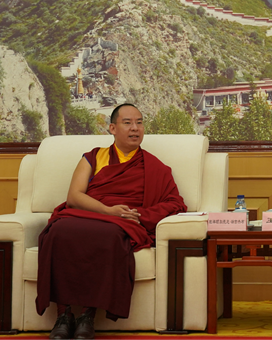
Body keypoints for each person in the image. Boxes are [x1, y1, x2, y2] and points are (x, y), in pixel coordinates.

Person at [36, 104, 187, 340]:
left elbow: (175, 202)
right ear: (113, 128)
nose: (135, 128)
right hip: (92, 213)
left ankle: (87, 316)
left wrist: (140, 215)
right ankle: (63, 315)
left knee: (108, 235)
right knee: (59, 230)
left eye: (139, 122)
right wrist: (108, 211)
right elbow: (74, 196)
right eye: (127, 123)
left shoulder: (154, 167)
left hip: (120, 223)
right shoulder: (94, 157)